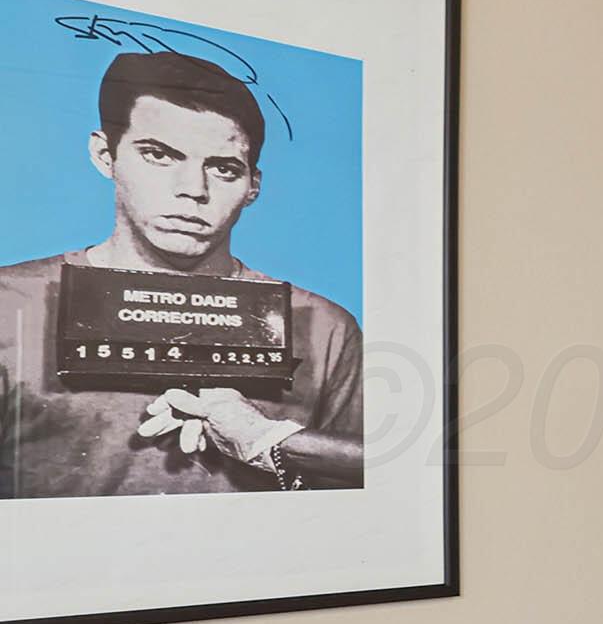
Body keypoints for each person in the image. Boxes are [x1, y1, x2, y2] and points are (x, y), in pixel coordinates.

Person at [0, 50, 363, 495]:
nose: (193, 190)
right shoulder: (8, 303)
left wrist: (272, 441)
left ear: (253, 185)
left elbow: (372, 501)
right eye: (159, 155)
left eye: (223, 168)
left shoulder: (325, 328)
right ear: (104, 154)